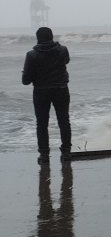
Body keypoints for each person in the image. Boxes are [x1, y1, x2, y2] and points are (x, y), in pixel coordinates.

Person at [21, 27, 72, 164]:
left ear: (38, 38)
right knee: (64, 121)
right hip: (61, 89)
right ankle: (66, 153)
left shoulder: (32, 55)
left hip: (41, 91)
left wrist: (26, 72)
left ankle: (44, 155)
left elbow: (25, 81)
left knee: (42, 124)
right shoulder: (63, 50)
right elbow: (66, 61)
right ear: (52, 37)